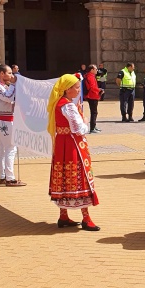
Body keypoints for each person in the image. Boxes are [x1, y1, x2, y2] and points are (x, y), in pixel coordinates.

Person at [47, 73, 101, 231]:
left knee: (64, 178)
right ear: (67, 89)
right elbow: (77, 129)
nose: (79, 90)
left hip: (62, 145)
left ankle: (63, 215)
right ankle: (86, 218)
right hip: (72, 145)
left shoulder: (59, 103)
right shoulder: (68, 106)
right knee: (79, 177)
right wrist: (85, 122)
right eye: (76, 87)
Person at [0, 64, 25, 186]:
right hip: (3, 120)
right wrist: (14, 84)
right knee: (11, 147)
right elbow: (7, 97)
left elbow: (10, 99)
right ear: (1, 74)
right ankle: (10, 178)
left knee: (4, 148)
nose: (12, 75)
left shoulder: (4, 86)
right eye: (9, 73)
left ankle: (3, 176)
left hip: (4, 119)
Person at [83, 65, 103, 133]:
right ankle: (92, 128)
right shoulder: (90, 77)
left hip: (92, 95)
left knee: (94, 112)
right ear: (92, 70)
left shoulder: (90, 76)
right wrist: (99, 90)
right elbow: (92, 88)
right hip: (92, 96)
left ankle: (94, 126)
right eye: (96, 69)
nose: (97, 70)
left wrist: (98, 89)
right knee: (94, 112)